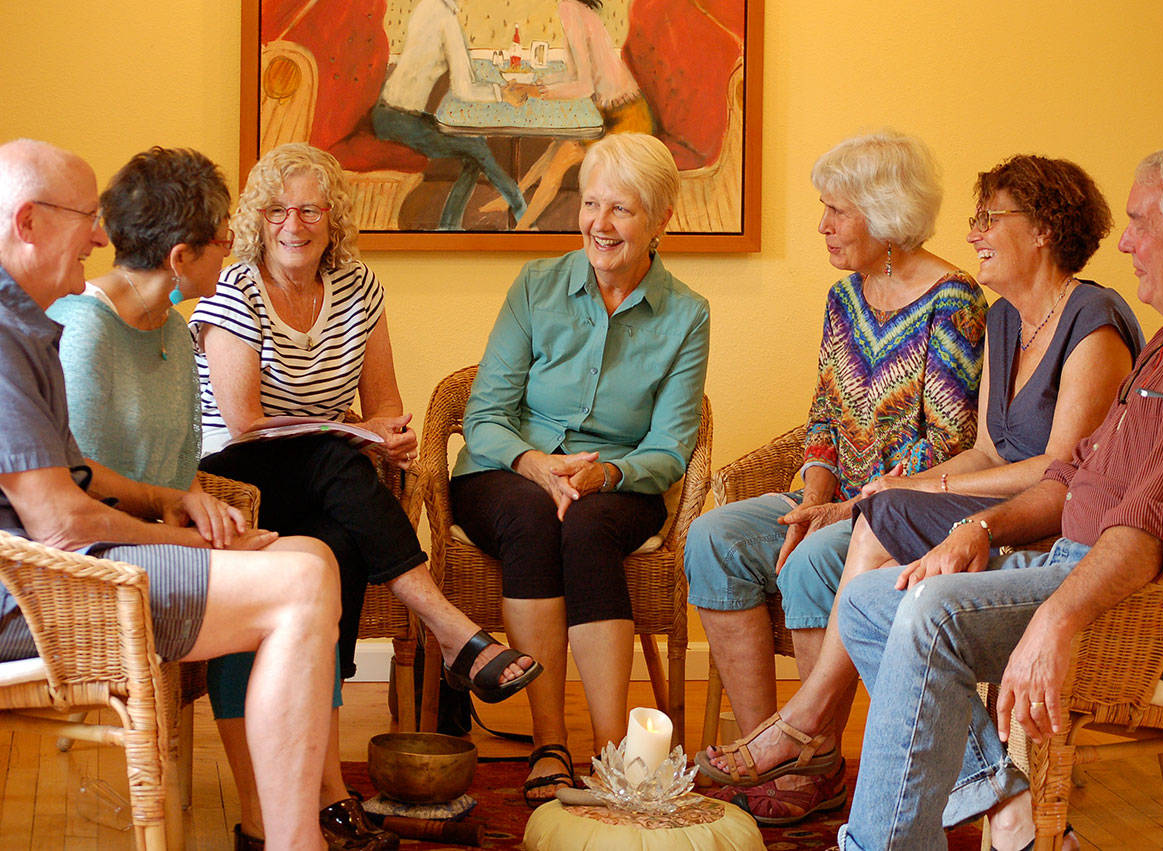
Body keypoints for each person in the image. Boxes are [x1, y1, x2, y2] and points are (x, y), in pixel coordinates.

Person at [832, 138, 1163, 850]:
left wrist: (1059, 618)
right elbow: (1072, 475)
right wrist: (979, 530)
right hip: (1095, 569)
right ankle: (1002, 795)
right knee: (866, 600)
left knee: (932, 612)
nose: (1124, 240)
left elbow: (1153, 524)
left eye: (1140, 221)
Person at [696, 155, 1146, 818]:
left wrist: (913, 492)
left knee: (876, 516)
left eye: (989, 218)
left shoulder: (1093, 319)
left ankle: (808, 724)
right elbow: (988, 448)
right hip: (994, 494)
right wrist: (895, 487)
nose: (973, 234)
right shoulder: (1005, 320)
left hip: (1049, 517)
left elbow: (1061, 467)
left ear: (1045, 228)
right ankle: (827, 736)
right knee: (871, 506)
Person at [48, 146, 396, 850]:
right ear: (181, 258)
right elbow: (74, 503)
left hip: (150, 544)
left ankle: (289, 819)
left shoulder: (175, 335)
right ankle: (283, 828)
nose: (235, 244)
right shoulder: (84, 334)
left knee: (312, 555)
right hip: (91, 572)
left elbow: (173, 477)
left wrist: (196, 503)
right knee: (291, 580)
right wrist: (186, 528)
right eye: (220, 236)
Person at [190, 143, 540, 842]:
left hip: (323, 484)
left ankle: (319, 793)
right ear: (260, 220)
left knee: (339, 540)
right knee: (332, 456)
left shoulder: (358, 289)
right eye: (281, 209)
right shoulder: (235, 289)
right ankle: (451, 631)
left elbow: (383, 404)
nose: (296, 223)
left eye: (311, 208)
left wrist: (388, 436)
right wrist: (350, 430)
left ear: (332, 217)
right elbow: (244, 423)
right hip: (232, 483)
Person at [684, 131, 987, 823]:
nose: (821, 225)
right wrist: (815, 497)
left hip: (908, 512)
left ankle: (813, 745)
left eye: (835, 211)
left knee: (817, 558)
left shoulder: (955, 299)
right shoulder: (844, 297)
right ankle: (779, 747)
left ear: (883, 214)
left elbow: (948, 439)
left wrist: (849, 511)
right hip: (836, 496)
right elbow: (822, 416)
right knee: (713, 536)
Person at [449, 132, 709, 805]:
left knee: (588, 526)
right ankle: (548, 743)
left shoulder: (686, 314)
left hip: (618, 482)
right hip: (506, 471)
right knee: (536, 514)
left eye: (620, 209)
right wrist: (538, 464)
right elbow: (483, 416)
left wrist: (604, 475)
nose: (599, 223)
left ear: (660, 220)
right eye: (591, 204)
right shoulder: (537, 285)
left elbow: (670, 447)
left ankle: (611, 753)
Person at [482, 0, 654, 230]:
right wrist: (535, 86)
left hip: (626, 118)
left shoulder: (570, 9)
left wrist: (535, 91)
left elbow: (583, 87)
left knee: (559, 161)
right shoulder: (576, 9)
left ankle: (521, 228)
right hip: (616, 109)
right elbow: (573, 73)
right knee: (555, 147)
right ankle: (510, 199)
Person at [370, 0, 527, 229]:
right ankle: (523, 214)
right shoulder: (447, 20)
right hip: (401, 121)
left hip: (385, 115)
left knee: (474, 150)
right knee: (477, 147)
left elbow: (463, 75)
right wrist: (503, 94)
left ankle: (449, 225)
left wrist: (499, 89)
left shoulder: (428, 6)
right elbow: (464, 89)